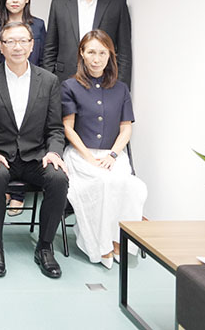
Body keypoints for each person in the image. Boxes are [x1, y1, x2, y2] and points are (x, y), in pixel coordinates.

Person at [0, 22, 68, 279]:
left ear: (32, 45)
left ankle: (45, 246)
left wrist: (54, 152)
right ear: (1, 47)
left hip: (36, 156)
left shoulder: (49, 81)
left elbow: (56, 128)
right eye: (10, 41)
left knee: (58, 178)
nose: (17, 47)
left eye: (23, 41)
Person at [60, 29, 147, 268]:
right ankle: (99, 243)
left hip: (113, 154)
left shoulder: (121, 89)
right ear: (82, 53)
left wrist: (113, 154)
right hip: (81, 154)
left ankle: (119, 239)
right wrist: (88, 156)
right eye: (91, 52)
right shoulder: (70, 86)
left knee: (131, 186)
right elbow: (68, 128)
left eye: (102, 53)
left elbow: (126, 128)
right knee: (102, 183)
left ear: (110, 55)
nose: (96, 59)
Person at [43, 0, 132, 86]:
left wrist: (121, 87)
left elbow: (124, 52)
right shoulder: (59, 4)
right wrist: (49, 85)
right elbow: (50, 49)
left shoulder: (117, 4)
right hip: (65, 80)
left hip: (105, 80)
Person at [0, 0, 46, 214]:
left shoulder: (38, 25)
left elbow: (44, 57)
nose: (14, 0)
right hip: (1, 88)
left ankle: (18, 194)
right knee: (3, 138)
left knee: (25, 139)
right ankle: (5, 187)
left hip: (30, 87)